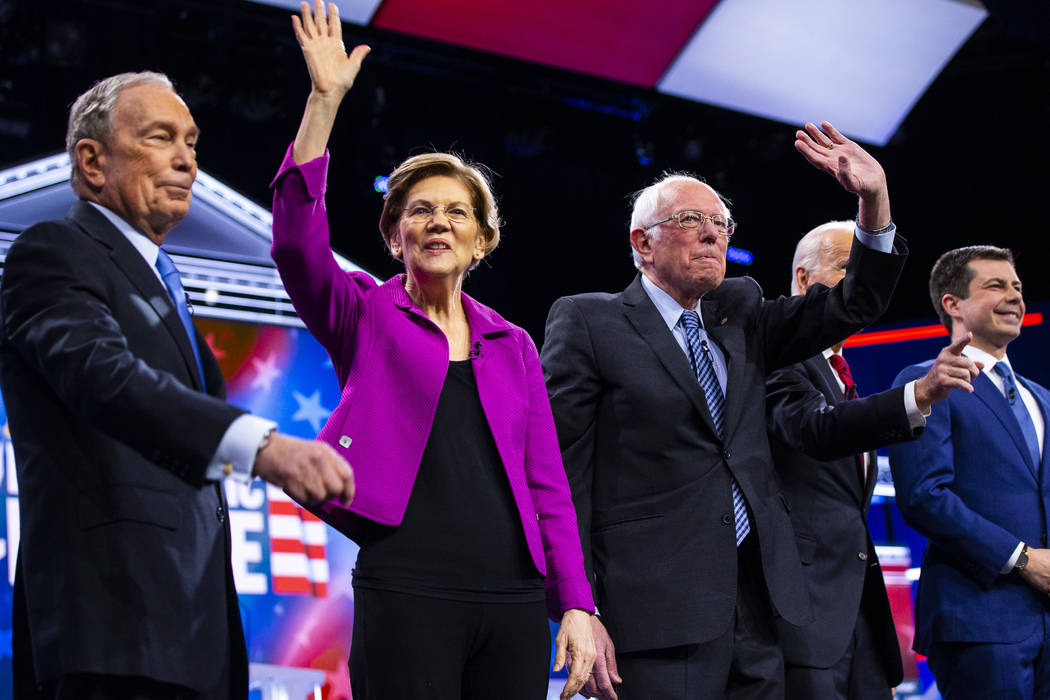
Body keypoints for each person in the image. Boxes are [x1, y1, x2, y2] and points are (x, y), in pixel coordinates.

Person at [268, 3, 595, 699]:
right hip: (407, 583)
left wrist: (575, 603)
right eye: (419, 209)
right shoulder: (363, 312)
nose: (437, 220)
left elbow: (548, 488)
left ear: (482, 240)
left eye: (456, 211)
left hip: (512, 597)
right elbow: (297, 244)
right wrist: (323, 103)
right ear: (395, 238)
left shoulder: (514, 345)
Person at [0, 71, 356, 700]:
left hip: (192, 639)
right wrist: (264, 447)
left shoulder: (165, 282)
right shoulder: (53, 250)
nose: (186, 159)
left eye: (191, 141)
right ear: (92, 161)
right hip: (111, 630)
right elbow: (102, 377)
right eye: (161, 137)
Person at [541, 122, 908, 699]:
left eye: (721, 224)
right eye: (691, 222)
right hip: (656, 614)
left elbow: (850, 303)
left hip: (762, 608)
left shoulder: (743, 314)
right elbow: (563, 472)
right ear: (642, 243)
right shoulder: (590, 321)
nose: (713, 236)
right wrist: (578, 605)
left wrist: (873, 199)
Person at [766, 221, 979, 699]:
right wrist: (918, 394)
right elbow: (815, 429)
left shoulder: (837, 370)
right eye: (847, 268)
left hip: (860, 622)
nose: (862, 283)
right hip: (805, 623)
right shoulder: (775, 356)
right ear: (804, 280)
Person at [888, 245, 1050, 699]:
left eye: (1017, 286)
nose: (1014, 296)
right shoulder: (924, 382)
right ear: (953, 304)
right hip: (979, 621)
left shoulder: (1043, 398)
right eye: (995, 285)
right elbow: (924, 496)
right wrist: (1022, 558)